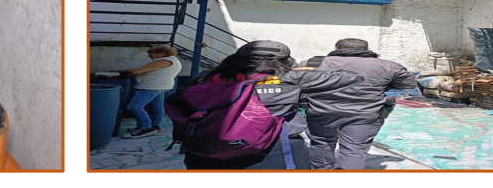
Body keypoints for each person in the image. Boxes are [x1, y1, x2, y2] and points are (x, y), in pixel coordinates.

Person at [172, 40, 364, 170]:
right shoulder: (292, 78)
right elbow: (352, 78)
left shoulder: (207, 78)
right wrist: (298, 69)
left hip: (205, 149)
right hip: (272, 150)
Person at [302, 38, 418, 170]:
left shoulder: (313, 63)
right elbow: (407, 85)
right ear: (368, 50)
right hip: (364, 115)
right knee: (354, 149)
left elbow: (296, 83)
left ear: (336, 49)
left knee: (321, 143)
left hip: (321, 112)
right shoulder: (389, 66)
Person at [117, 46, 182, 139]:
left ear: (162, 54)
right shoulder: (174, 61)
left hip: (151, 86)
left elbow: (137, 71)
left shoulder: (163, 61)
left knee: (134, 106)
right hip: (161, 86)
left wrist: (121, 72)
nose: (149, 56)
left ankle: (145, 127)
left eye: (151, 54)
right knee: (157, 106)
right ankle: (154, 126)